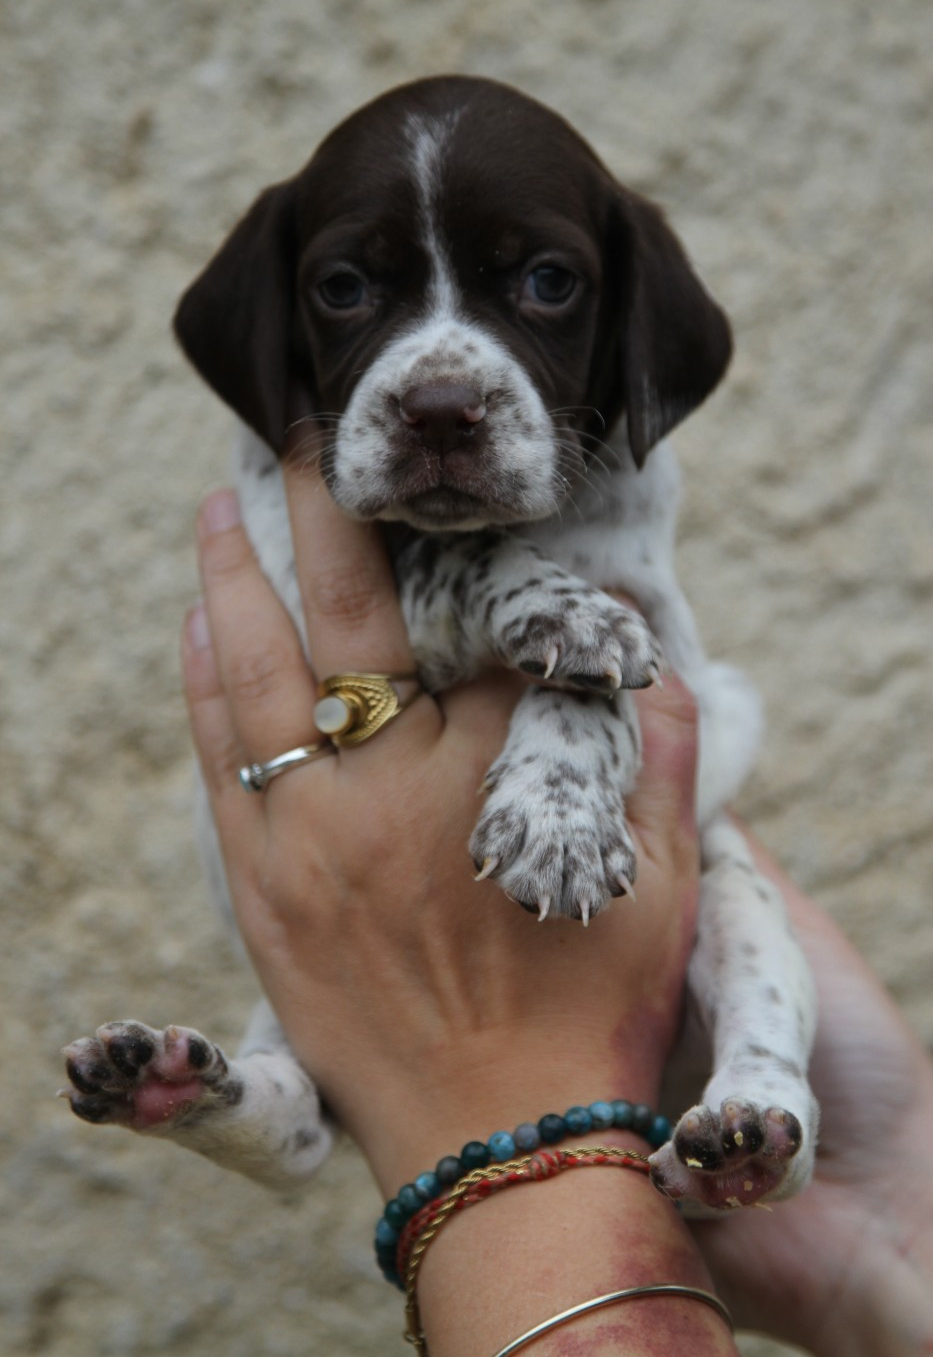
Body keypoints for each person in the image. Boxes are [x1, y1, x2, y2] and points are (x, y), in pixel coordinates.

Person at [181, 458, 933, 1356]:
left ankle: (767, 1092)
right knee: (338, 931)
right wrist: (884, 1218)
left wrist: (486, 1106)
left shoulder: (616, 502)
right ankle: (268, 1094)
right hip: (839, 1205)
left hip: (649, 1014)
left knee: (730, 891)